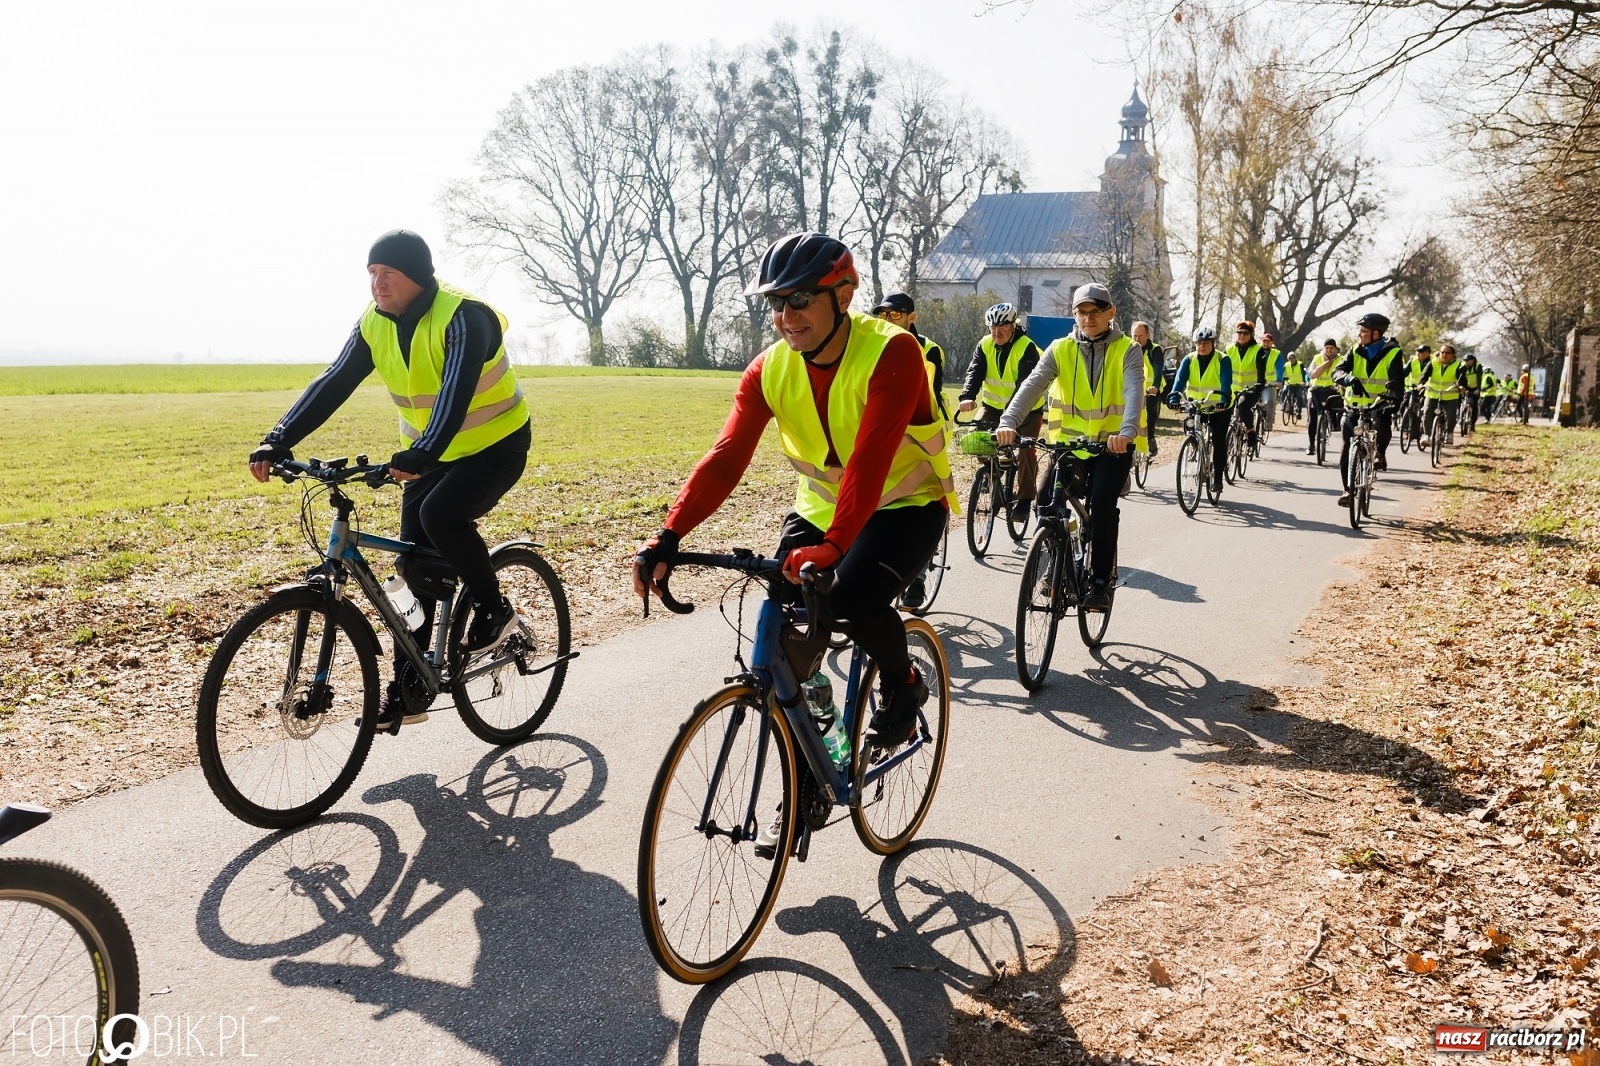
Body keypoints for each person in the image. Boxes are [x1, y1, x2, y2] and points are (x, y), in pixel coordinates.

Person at [633, 231, 956, 751]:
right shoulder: (768, 369)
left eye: (801, 299)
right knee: (781, 608)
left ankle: (905, 684)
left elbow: (870, 461)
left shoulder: (894, 351)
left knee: (851, 599)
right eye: (776, 303)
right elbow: (726, 459)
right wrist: (668, 535)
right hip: (824, 509)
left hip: (905, 506)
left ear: (843, 297)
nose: (787, 316)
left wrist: (834, 546)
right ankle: (812, 732)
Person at [249, 229, 530, 728]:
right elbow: (334, 380)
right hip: (433, 453)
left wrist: (422, 452)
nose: (377, 283)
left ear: (416, 277)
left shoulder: (465, 317)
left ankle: (494, 609)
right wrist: (279, 438)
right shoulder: (374, 323)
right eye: (371, 273)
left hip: (494, 445)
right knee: (413, 565)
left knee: (440, 515)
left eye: (388, 273)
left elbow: (455, 392)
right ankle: (410, 689)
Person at [996, 284, 1143, 610]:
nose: (1088, 318)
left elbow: (1134, 391)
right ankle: (1055, 566)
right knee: (1046, 501)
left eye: (1095, 311)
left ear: (1111, 312)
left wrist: (1126, 432)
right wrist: (1008, 421)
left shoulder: (1128, 349)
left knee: (1102, 508)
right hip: (1069, 446)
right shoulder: (1059, 349)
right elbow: (1032, 386)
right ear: (1074, 314)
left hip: (1112, 448)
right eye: (1081, 312)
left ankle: (1100, 583)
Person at [959, 303, 1045, 521]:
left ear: (1013, 325)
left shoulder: (1027, 347)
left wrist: (1011, 417)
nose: (996, 332)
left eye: (1002, 327)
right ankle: (994, 471)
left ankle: (1024, 501)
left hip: (1026, 410)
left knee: (1026, 452)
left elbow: (1025, 385)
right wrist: (967, 396)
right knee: (976, 439)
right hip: (993, 406)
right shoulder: (984, 344)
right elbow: (975, 371)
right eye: (992, 327)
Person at [1334, 311, 1406, 507]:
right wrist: (1348, 379)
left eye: (1363, 331)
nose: (1359, 334)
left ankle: (1380, 452)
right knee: (1347, 447)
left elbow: (1397, 382)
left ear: (1376, 333)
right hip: (1353, 406)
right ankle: (1348, 490)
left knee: (1382, 426)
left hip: (1379, 405)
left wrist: (1393, 401)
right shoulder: (1355, 350)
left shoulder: (1393, 352)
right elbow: (1337, 371)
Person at [1168, 327, 1232, 494]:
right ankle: (1195, 446)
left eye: (1205, 343)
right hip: (1196, 404)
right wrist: (1174, 398)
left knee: (1218, 440)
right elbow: (1179, 381)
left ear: (1213, 343)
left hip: (1219, 407)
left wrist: (1224, 399)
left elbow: (1226, 382)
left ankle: (1217, 479)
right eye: (1198, 343)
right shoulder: (1189, 359)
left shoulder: (1223, 359)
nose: (1201, 347)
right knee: (1190, 427)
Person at [873, 291, 948, 420]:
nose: (888, 320)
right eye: (883, 315)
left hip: (920, 424)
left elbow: (930, 397)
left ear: (911, 317)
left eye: (895, 314)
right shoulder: (874, 348)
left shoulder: (930, 350)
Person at [1224, 321, 1266, 452]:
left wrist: (1260, 384)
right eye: (1239, 333)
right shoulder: (1229, 349)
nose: (1242, 335)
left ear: (1251, 334)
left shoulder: (1258, 350)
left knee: (1242, 406)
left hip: (1251, 390)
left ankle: (1250, 431)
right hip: (1231, 390)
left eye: (1245, 333)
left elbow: (1261, 371)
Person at [1131, 321, 1164, 457]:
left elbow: (1158, 369)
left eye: (1140, 336)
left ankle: (1150, 438)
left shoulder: (1155, 350)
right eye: (1134, 336)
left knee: (1149, 415)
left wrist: (1155, 386)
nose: (1137, 339)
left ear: (1147, 335)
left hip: (1150, 391)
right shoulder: (1129, 348)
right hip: (1133, 390)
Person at [1306, 338, 1341, 456]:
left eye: (1332, 348)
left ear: (1335, 349)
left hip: (1333, 391)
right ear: (1323, 348)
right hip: (1316, 391)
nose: (1329, 350)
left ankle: (1334, 423)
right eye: (1327, 348)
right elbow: (1311, 375)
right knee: (1312, 418)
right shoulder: (1317, 358)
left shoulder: (1340, 359)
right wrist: (1324, 365)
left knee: (1337, 410)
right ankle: (1311, 445)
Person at [1423, 343, 1462, 445]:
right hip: (1433, 394)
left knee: (1451, 416)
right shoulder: (1433, 363)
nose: (1444, 355)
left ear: (1452, 355)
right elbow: (1424, 375)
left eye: (1447, 353)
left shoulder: (1458, 365)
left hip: (1450, 396)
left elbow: (1462, 379)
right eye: (1442, 352)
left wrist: (1462, 386)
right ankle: (1427, 436)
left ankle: (1449, 433)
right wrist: (1421, 384)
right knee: (1427, 413)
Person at [1258, 329, 1284, 437]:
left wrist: (1279, 380)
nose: (1266, 343)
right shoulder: (1255, 351)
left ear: (1272, 342)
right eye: (1264, 341)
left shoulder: (1276, 354)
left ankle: (1269, 421)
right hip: (1256, 382)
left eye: (1268, 341)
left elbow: (1279, 368)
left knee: (1269, 402)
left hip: (1270, 384)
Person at [1459, 352, 1482, 432]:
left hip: (1475, 387)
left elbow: (1479, 378)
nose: (1466, 362)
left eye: (1468, 361)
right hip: (1466, 386)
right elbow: (1460, 376)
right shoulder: (1463, 365)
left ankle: (1472, 424)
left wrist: (1478, 389)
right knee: (1461, 402)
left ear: (1472, 360)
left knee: (1474, 405)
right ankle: (1461, 418)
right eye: (1465, 360)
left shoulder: (1478, 366)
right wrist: (1460, 386)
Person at [1282, 352, 1306, 423]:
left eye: (1293, 358)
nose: (1291, 359)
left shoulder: (1300, 364)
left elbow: (1303, 373)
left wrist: (1303, 381)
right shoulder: (1286, 365)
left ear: (1295, 358)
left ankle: (1299, 411)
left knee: (1299, 397)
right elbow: (1282, 373)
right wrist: (1281, 379)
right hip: (1289, 383)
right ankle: (1284, 406)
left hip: (1298, 384)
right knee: (1284, 392)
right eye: (1290, 358)